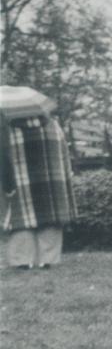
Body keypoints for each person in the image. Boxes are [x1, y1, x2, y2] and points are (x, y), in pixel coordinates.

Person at [2, 106, 77, 269]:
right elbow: (64, 152)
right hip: (52, 179)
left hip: (20, 180)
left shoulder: (8, 128)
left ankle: (22, 261)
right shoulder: (53, 125)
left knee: (20, 218)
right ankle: (47, 260)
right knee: (50, 219)